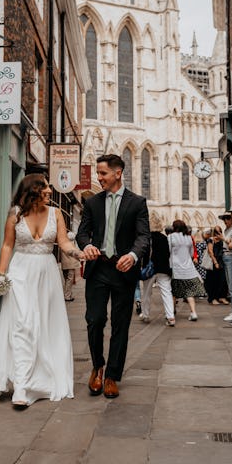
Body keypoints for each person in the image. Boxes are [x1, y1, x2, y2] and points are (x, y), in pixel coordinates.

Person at [0, 173, 84, 409]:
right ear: (33, 190)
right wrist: (1, 275)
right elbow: (7, 245)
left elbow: (64, 243)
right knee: (22, 325)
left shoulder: (56, 213)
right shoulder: (15, 214)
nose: (49, 190)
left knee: (45, 326)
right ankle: (22, 386)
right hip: (20, 273)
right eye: (45, 187)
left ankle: (40, 378)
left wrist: (78, 253)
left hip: (46, 274)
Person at [76, 154, 150, 399]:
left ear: (118, 173)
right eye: (98, 173)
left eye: (103, 173)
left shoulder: (137, 202)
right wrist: (86, 245)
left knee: (121, 325)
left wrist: (133, 254)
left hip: (124, 270)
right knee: (95, 320)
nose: (99, 178)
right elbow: (82, 233)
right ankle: (97, 367)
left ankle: (112, 376)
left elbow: (143, 237)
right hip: (98, 269)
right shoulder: (92, 202)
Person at [139, 216, 175, 326]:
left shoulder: (147, 238)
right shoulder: (165, 238)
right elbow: (168, 254)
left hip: (150, 269)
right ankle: (170, 316)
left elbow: (144, 254)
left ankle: (145, 314)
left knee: (146, 293)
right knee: (166, 292)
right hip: (164, 268)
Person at [168, 219, 204, 321]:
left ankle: (172, 311)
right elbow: (192, 254)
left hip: (176, 268)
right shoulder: (188, 238)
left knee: (173, 291)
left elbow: (168, 251)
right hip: (188, 269)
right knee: (189, 292)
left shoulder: (171, 237)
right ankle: (193, 313)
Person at [218, 212, 232, 321]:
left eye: (227, 218)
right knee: (230, 285)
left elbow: (231, 244)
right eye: (224, 219)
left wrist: (223, 238)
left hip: (230, 256)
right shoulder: (226, 230)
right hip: (225, 256)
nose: (225, 221)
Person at [205, 225, 229, 306]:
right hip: (213, 262)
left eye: (219, 232)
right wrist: (215, 262)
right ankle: (213, 298)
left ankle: (222, 297)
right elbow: (210, 252)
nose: (218, 234)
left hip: (221, 261)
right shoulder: (211, 240)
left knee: (223, 280)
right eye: (216, 232)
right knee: (213, 281)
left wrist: (223, 238)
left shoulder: (222, 241)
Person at [61, 230, 81, 302]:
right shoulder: (71, 245)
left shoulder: (63, 244)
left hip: (64, 265)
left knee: (66, 280)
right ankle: (67, 296)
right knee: (69, 281)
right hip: (71, 265)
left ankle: (68, 294)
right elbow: (74, 253)